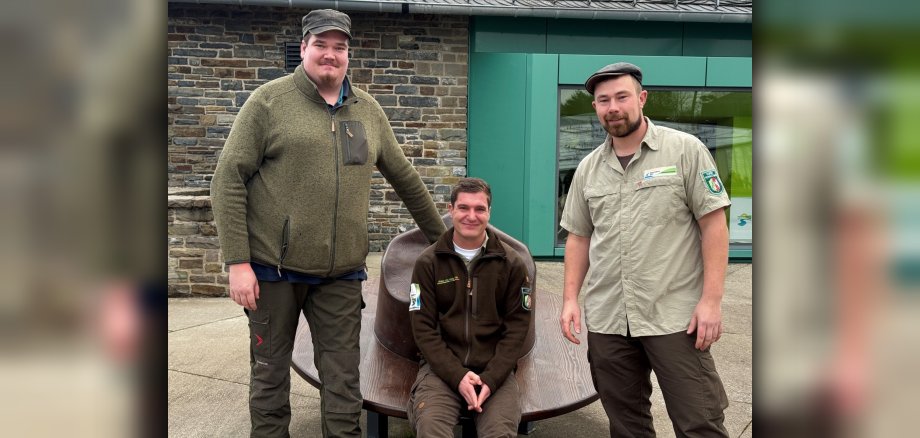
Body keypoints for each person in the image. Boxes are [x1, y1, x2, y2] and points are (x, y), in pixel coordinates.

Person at [210, 9, 446, 438]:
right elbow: (227, 178)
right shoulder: (268, 102)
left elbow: (406, 179)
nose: (330, 55)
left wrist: (446, 244)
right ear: (303, 48)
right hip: (271, 271)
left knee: (343, 384)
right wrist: (237, 261)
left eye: (339, 47)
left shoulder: (368, 111)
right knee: (269, 377)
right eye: (321, 45)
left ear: (348, 55)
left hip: (340, 276)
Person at [558, 62, 732, 437]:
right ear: (596, 109)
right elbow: (579, 236)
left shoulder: (685, 150)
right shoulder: (588, 169)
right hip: (608, 318)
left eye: (621, 97)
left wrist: (712, 301)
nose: (613, 107)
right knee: (626, 425)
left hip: (674, 316)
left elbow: (714, 225)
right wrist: (571, 298)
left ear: (641, 98)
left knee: (699, 421)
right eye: (603, 101)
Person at [407, 178, 532, 438]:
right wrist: (457, 375)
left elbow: (517, 329)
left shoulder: (512, 264)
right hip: (440, 370)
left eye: (479, 209)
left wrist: (492, 377)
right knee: (431, 429)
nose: (471, 216)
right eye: (463, 208)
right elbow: (423, 329)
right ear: (451, 210)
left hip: (494, 370)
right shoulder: (427, 263)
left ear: (489, 212)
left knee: (499, 433)